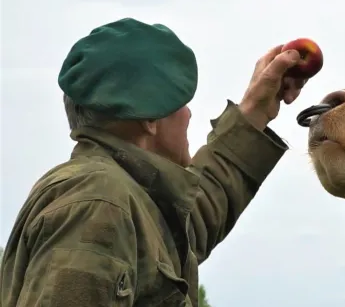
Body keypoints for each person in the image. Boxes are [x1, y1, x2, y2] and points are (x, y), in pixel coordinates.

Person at [0, 17, 308, 307]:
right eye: (181, 102)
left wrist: (254, 111)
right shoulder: (97, 202)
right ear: (149, 116)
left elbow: (191, 219)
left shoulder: (124, 198)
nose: (188, 114)